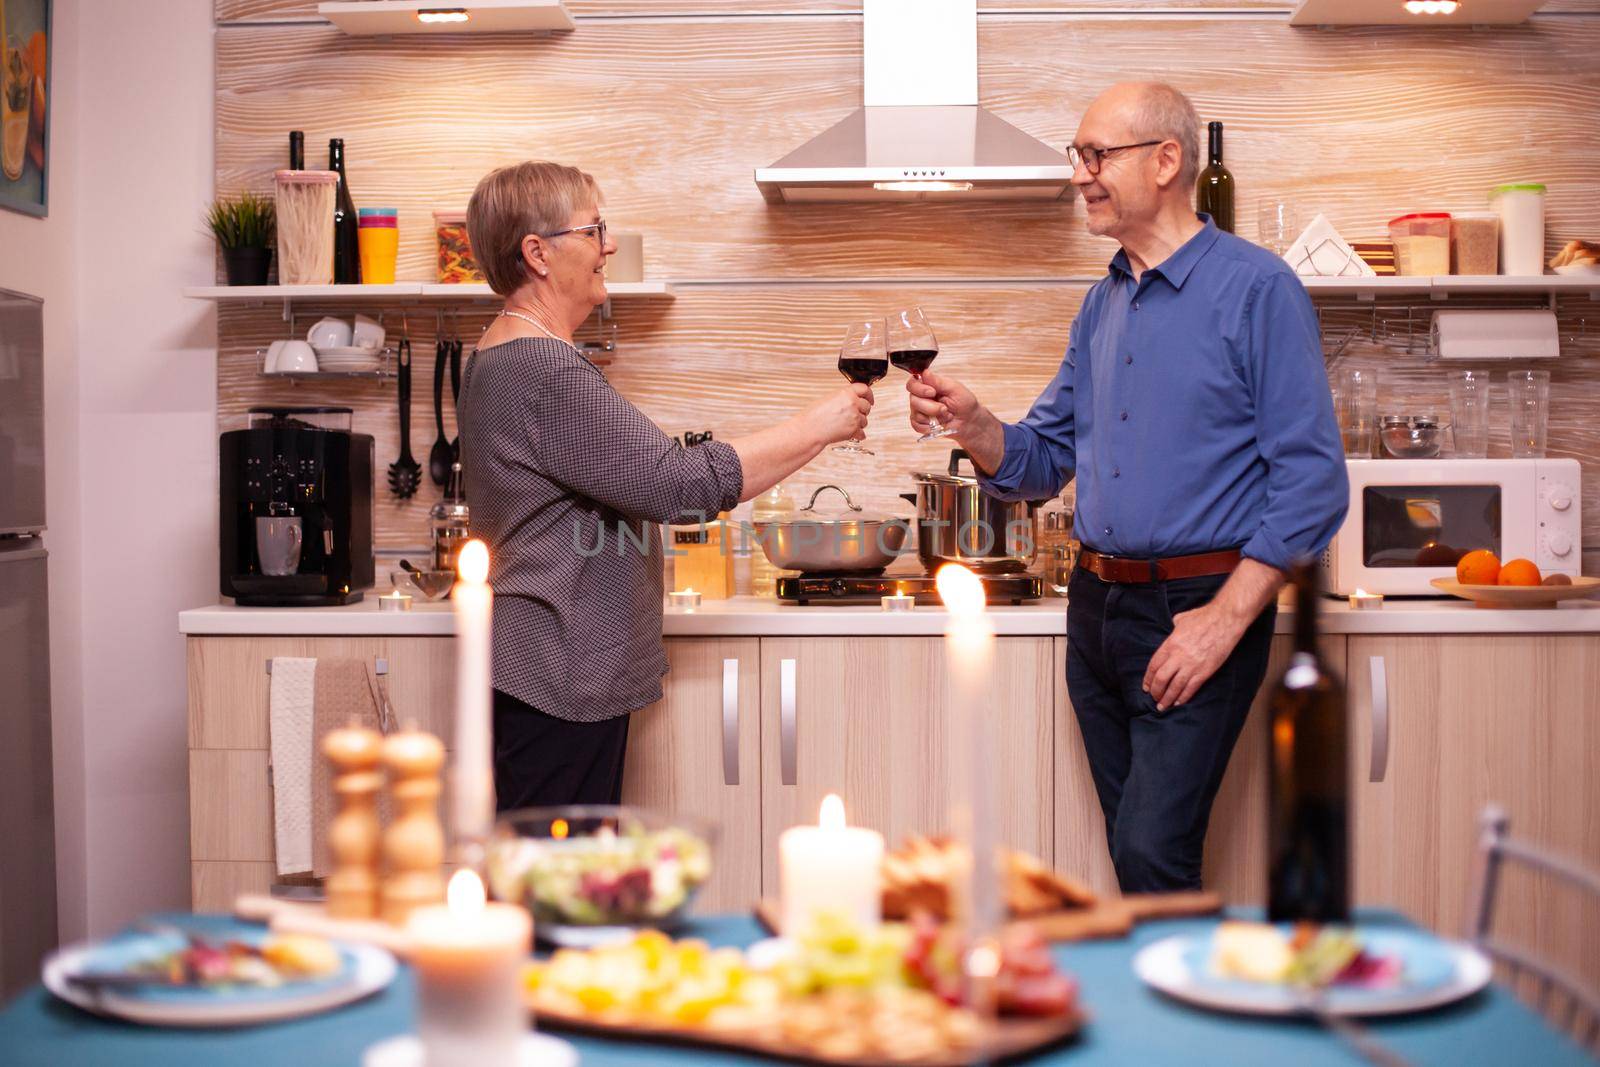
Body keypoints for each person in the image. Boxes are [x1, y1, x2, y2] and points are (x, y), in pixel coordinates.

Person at [906, 84, 1348, 892]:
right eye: (1080, 157)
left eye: (1096, 154)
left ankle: (1198, 1013)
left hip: (1199, 606)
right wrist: (972, 423)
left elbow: (1314, 483)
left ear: (1167, 161)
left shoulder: (1258, 290)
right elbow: (1040, 458)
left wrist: (1223, 621)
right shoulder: (1101, 303)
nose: (1081, 175)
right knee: (1136, 857)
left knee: (1152, 852)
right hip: (1096, 611)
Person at [457, 161, 873, 809]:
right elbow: (677, 485)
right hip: (558, 666)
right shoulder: (544, 370)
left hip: (541, 661)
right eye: (593, 229)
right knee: (562, 885)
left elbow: (646, 473)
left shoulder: (501, 354)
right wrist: (820, 425)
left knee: (555, 875)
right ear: (537, 252)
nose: (609, 245)